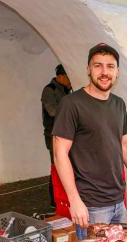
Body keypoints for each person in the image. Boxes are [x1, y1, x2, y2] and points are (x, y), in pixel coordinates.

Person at [52, 43, 127, 239]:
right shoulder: (72, 104)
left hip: (118, 202)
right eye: (98, 65)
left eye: (110, 66)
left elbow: (125, 145)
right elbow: (59, 153)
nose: (104, 72)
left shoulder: (118, 104)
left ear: (117, 72)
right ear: (88, 69)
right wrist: (75, 201)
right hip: (91, 205)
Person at [41, 64, 72, 207]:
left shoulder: (67, 91)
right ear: (60, 77)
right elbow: (52, 111)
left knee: (68, 165)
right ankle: (55, 199)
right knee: (57, 166)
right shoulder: (49, 90)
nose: (70, 80)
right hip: (54, 136)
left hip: (68, 135)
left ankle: (67, 196)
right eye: (68, 77)